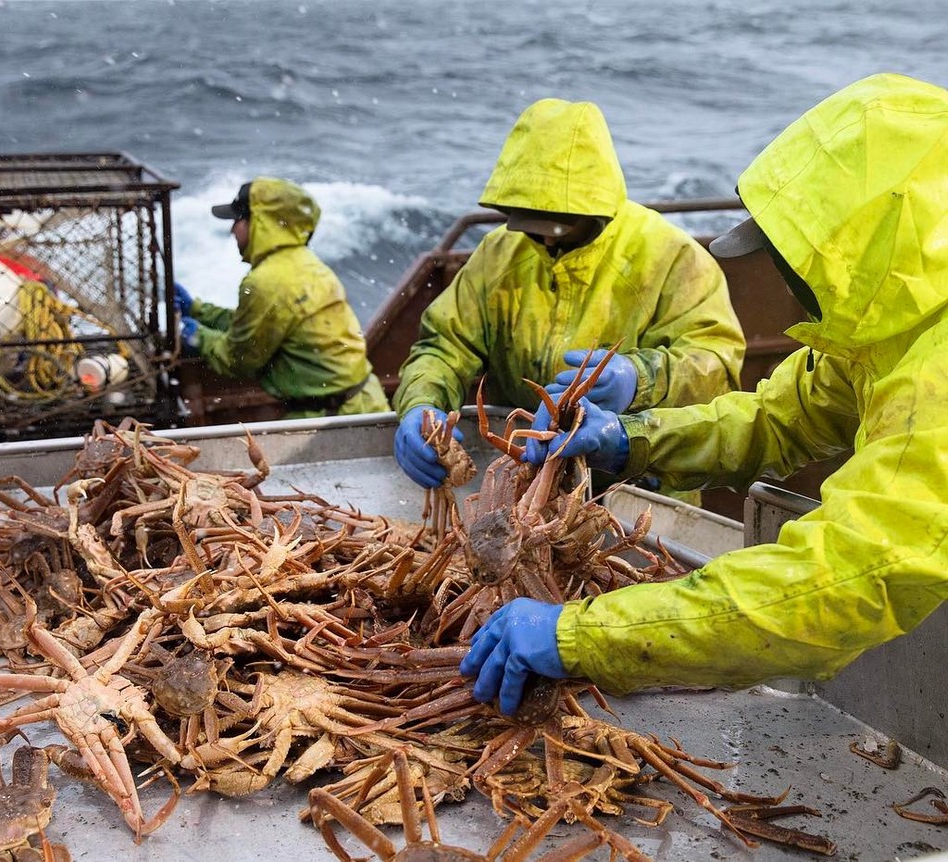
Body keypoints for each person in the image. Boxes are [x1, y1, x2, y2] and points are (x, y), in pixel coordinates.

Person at [459, 73, 948, 717]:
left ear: (866, 246)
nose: (785, 276)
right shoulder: (886, 331)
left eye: (799, 258)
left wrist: (579, 635)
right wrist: (629, 440)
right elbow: (776, 420)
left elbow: (842, 579)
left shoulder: (934, 373)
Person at [392, 98, 745, 492]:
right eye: (531, 224)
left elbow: (716, 365)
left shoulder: (673, 257)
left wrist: (638, 378)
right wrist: (421, 405)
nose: (543, 236)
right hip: (523, 475)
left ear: (597, 210)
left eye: (560, 227)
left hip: (641, 483)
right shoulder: (497, 255)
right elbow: (443, 347)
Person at [175, 177, 390, 419]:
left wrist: (198, 336)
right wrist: (198, 309)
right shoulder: (303, 262)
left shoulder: (266, 282)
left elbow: (240, 358)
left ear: (260, 222)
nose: (233, 229)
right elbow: (260, 325)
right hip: (365, 403)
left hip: (331, 418)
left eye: (238, 219)